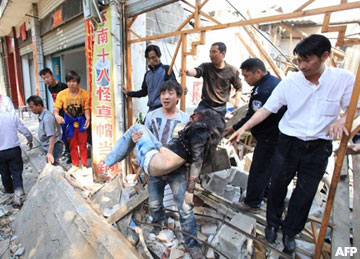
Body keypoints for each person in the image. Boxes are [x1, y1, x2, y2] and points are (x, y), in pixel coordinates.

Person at [229, 34, 360, 254]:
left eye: (307, 60)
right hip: (288, 144)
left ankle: (290, 232)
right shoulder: (290, 82)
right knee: (278, 186)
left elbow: (354, 107)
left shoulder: (343, 80)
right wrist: (242, 127)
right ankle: (272, 224)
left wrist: (341, 119)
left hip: (319, 147)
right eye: (298, 60)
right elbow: (266, 109)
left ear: (325, 56)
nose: (301, 66)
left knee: (305, 193)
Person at [105, 108, 225, 206]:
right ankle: (116, 156)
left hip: (150, 162)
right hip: (157, 156)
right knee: (144, 131)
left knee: (137, 127)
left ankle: (107, 163)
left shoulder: (198, 133)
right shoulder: (201, 143)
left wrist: (190, 191)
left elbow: (197, 163)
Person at [139, 80, 201, 257]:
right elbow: (146, 140)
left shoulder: (185, 119)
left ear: (179, 96)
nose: (166, 96)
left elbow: (190, 148)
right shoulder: (151, 116)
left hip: (177, 170)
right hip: (155, 170)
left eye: (170, 93)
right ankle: (159, 228)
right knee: (155, 204)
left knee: (185, 208)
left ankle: (192, 243)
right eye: (163, 93)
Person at [226, 58, 286, 212]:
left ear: (258, 72)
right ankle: (264, 194)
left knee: (258, 169)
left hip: (269, 136)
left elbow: (252, 117)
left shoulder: (263, 91)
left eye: (247, 76)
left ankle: (252, 203)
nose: (245, 80)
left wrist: (233, 128)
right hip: (277, 135)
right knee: (267, 169)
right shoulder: (272, 82)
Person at [183, 42, 242, 117]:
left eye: (214, 52)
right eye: (210, 52)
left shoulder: (232, 70)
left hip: (220, 108)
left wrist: (236, 103)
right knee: (195, 121)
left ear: (223, 54)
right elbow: (197, 71)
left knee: (216, 127)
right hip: (205, 104)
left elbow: (239, 87)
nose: (211, 55)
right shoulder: (206, 66)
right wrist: (187, 71)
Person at [53, 71, 91, 173]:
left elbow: (86, 108)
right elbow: (56, 108)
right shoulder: (61, 94)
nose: (71, 84)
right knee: (72, 145)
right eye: (69, 81)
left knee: (83, 144)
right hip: (69, 122)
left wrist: (88, 119)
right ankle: (75, 165)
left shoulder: (85, 94)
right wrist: (56, 115)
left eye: (74, 81)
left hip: (81, 121)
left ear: (78, 82)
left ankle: (83, 164)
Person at [122, 45, 177, 112]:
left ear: (159, 56)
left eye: (153, 57)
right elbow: (143, 92)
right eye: (149, 58)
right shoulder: (147, 75)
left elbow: (174, 88)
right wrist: (129, 93)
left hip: (164, 109)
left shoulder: (166, 70)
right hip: (151, 110)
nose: (151, 61)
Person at [0, 111, 33, 206]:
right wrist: (30, 140)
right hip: (13, 151)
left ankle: (9, 193)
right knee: (16, 173)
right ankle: (18, 198)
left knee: (4, 173)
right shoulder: (11, 116)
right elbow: (25, 131)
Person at [40, 68, 71, 163]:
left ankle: (70, 153)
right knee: (62, 134)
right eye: (44, 78)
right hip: (58, 113)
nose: (46, 80)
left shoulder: (63, 86)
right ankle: (67, 151)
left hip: (67, 113)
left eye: (47, 77)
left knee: (68, 133)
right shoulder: (49, 87)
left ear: (52, 76)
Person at [26, 95, 63, 166]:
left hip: (53, 148)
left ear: (39, 105)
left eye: (32, 107)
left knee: (55, 169)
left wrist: (49, 153)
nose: (31, 110)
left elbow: (52, 136)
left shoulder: (47, 118)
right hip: (49, 147)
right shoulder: (43, 115)